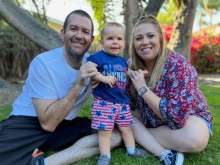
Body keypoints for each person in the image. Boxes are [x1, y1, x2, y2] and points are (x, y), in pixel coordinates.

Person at [0, 10, 122, 165]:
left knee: (116, 135)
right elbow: (48, 123)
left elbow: (118, 85)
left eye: (85, 32)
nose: (79, 35)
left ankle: (45, 163)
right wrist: (79, 83)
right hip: (29, 123)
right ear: (63, 33)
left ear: (91, 39)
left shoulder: (95, 63)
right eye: (73, 29)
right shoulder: (43, 63)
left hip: (66, 124)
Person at [127, 15, 213, 165]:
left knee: (195, 139)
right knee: (123, 115)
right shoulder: (131, 67)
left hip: (189, 118)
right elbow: (125, 103)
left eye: (150, 36)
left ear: (160, 38)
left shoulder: (178, 65)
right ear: (133, 43)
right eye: (139, 38)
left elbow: (176, 118)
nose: (145, 42)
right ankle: (155, 146)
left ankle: (135, 136)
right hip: (152, 119)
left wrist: (142, 88)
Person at [87, 22, 147, 165]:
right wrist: (103, 78)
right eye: (110, 38)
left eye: (119, 39)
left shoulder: (121, 61)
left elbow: (127, 72)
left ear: (124, 43)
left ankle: (131, 150)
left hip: (122, 103)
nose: (115, 42)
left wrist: (138, 74)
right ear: (102, 42)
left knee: (126, 128)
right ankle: (105, 156)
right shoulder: (97, 57)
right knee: (105, 131)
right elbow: (89, 71)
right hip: (104, 102)